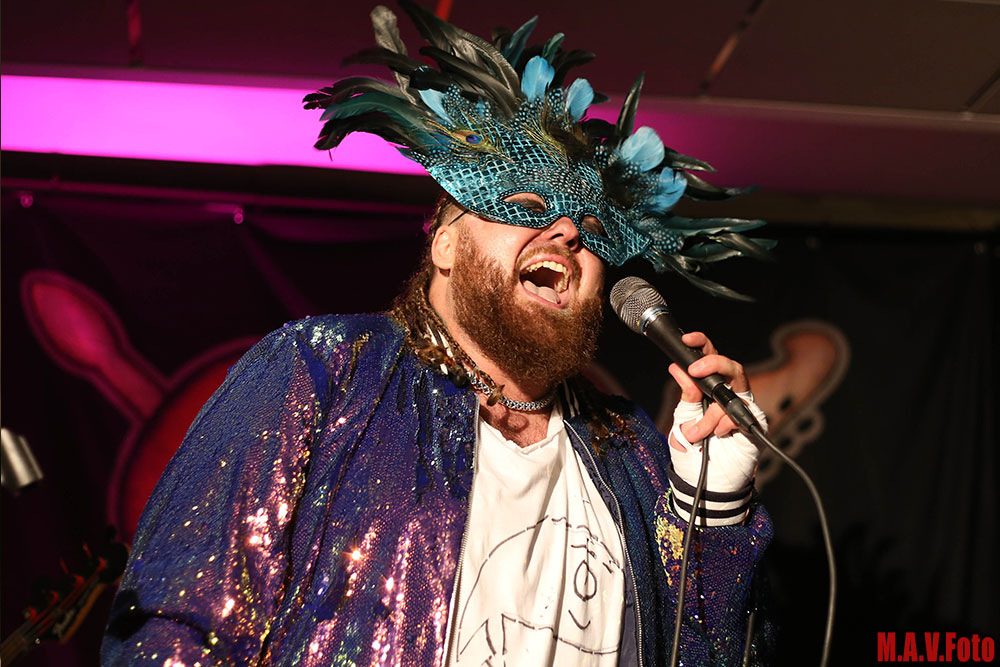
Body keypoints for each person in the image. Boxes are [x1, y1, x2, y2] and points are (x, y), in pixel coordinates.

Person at [102, 3, 776, 665]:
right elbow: (175, 626)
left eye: (591, 231)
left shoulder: (630, 450)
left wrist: (713, 508)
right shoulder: (322, 372)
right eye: (525, 206)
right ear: (446, 244)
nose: (569, 232)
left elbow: (715, 652)